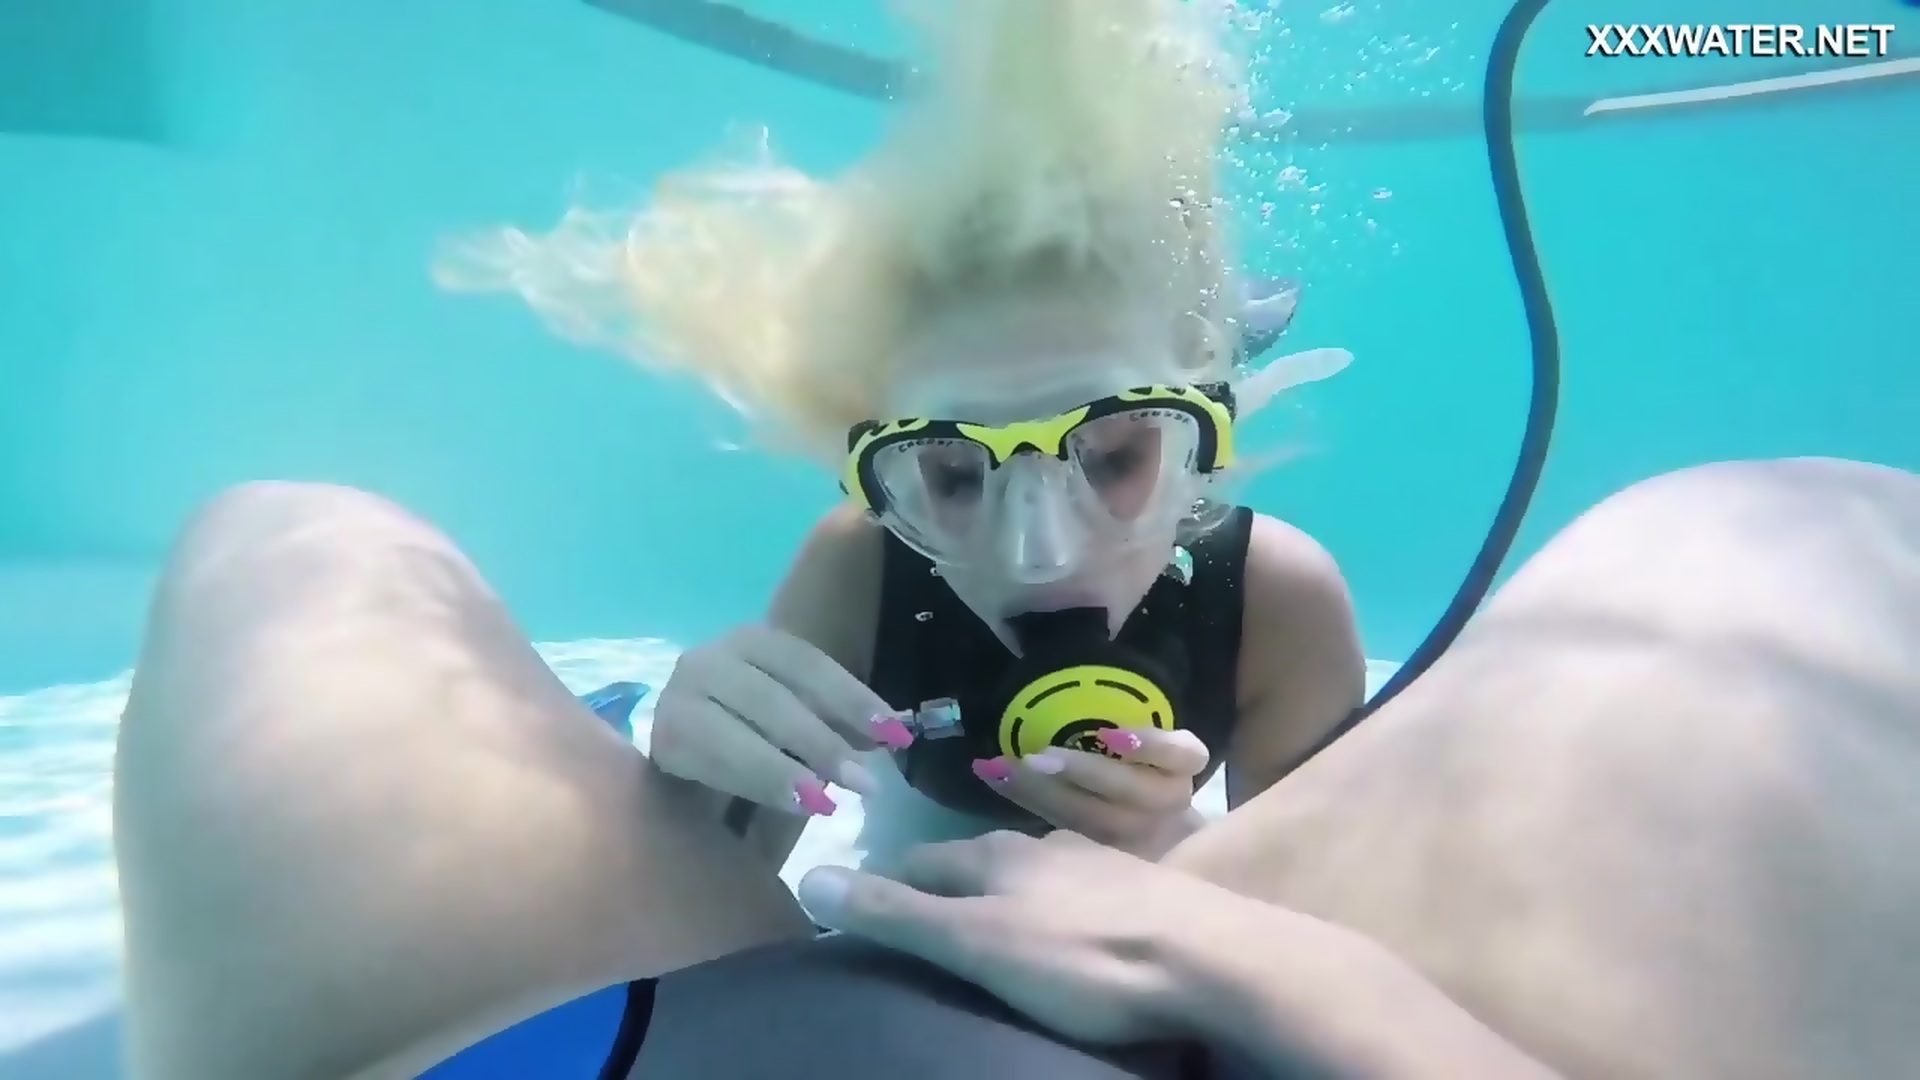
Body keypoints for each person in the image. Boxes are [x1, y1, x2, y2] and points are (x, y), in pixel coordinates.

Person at [432, 0, 1364, 868]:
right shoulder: (859, 566)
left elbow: (1327, 930)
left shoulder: (1279, 604)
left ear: (1203, 436)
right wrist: (686, 785)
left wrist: (1176, 853)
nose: (1037, 555)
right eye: (954, 477)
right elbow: (722, 877)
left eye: (1117, 453)